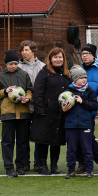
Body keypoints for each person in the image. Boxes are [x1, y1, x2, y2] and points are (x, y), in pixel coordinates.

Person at [0, 49, 34, 178]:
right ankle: (9, 167)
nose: (13, 66)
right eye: (10, 64)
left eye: (15, 63)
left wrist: (28, 98)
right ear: (6, 64)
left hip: (23, 113)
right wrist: (5, 91)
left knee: (22, 141)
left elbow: (29, 90)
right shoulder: (0, 76)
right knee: (7, 142)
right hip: (8, 114)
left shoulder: (24, 74)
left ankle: (21, 166)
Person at [29, 48, 70, 176]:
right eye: (55, 57)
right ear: (50, 59)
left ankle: (54, 165)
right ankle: (42, 165)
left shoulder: (67, 74)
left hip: (60, 112)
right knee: (43, 140)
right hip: (45, 113)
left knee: (56, 140)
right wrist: (40, 109)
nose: (58, 59)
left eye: (60, 57)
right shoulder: (44, 73)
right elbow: (38, 92)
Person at [78, 43, 98, 176]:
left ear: (93, 56)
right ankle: (82, 163)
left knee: (89, 137)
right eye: (83, 54)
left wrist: (91, 104)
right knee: (78, 138)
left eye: (88, 54)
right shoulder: (78, 69)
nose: (84, 56)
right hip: (78, 111)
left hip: (89, 110)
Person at [63, 65, 98, 178]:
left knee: (87, 148)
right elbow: (61, 108)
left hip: (85, 124)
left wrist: (82, 101)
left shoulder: (89, 91)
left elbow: (95, 106)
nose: (84, 79)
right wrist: (63, 109)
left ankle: (89, 170)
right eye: (81, 77)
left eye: (85, 77)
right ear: (74, 79)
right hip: (71, 125)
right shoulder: (68, 91)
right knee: (71, 149)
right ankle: (71, 169)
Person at [18, 40, 45, 172]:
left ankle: (38, 161)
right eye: (22, 50)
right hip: (22, 106)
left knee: (39, 135)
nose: (24, 52)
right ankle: (24, 162)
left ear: (33, 51)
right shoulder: (17, 66)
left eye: (26, 50)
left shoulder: (43, 66)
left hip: (38, 106)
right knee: (23, 136)